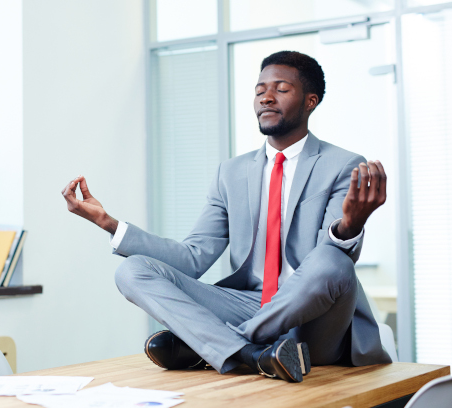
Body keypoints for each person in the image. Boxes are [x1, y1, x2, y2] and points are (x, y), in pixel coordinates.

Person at [61, 51, 391, 383]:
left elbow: (327, 271)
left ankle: (215, 346)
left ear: (310, 101)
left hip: (314, 320)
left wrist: (350, 226)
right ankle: (250, 354)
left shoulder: (342, 164)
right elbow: (192, 259)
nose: (266, 97)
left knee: (333, 261)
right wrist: (108, 222)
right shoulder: (231, 173)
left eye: (281, 88)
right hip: (248, 302)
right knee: (131, 270)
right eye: (260, 89)